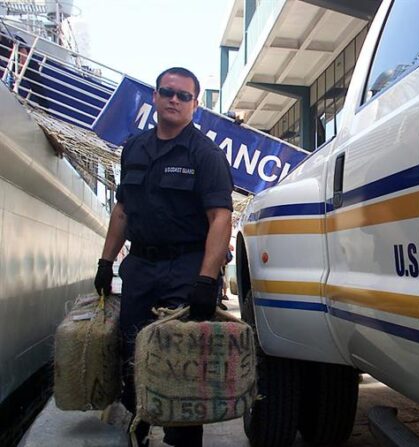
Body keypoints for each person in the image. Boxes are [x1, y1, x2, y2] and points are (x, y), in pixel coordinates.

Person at [94, 67, 233, 447]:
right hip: (140, 267)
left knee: (182, 360)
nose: (174, 99)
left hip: (185, 269)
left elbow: (220, 217)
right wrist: (106, 263)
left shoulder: (205, 154)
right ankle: (138, 425)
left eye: (183, 96)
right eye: (167, 92)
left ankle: (182, 439)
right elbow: (122, 209)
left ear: (195, 105)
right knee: (131, 350)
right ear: (154, 97)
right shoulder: (134, 148)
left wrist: (206, 280)